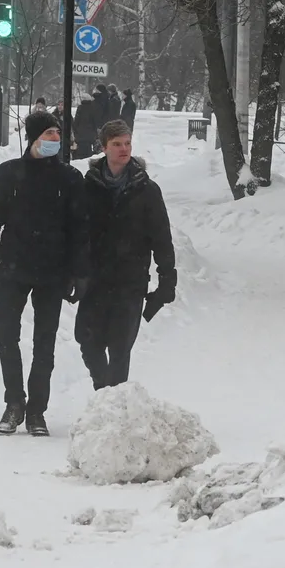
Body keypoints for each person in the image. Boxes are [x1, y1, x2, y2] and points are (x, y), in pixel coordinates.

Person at [0, 110, 89, 436]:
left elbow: (80, 231)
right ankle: (14, 403)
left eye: (57, 134)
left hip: (53, 271)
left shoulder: (69, 179)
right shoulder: (9, 174)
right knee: (6, 336)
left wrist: (79, 273)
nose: (55, 139)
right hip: (13, 268)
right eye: (49, 133)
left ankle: (37, 410)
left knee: (44, 344)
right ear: (34, 138)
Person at [76, 120, 177, 389]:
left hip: (130, 280)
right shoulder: (88, 186)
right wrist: (72, 271)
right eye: (117, 144)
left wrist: (167, 279)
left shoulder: (146, 189)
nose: (124, 149)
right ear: (103, 147)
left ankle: (114, 403)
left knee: (120, 346)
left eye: (128, 143)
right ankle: (104, 390)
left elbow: (162, 238)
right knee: (88, 341)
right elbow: (75, 232)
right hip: (94, 279)